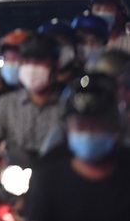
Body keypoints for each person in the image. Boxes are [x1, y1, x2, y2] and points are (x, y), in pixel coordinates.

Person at [25, 73, 130, 221]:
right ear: (67, 128)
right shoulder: (47, 179)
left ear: (115, 127)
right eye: (80, 126)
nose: (88, 133)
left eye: (96, 125)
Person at [0, 33, 65, 181]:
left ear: (55, 65)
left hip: (56, 180)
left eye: (39, 62)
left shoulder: (68, 105)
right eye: (27, 62)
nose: (32, 68)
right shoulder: (6, 104)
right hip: (14, 181)